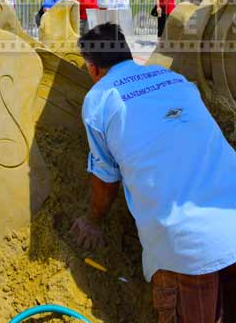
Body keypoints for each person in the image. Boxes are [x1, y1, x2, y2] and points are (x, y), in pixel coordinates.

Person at [71, 22, 236, 322]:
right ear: (128, 53)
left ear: (93, 68)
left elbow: (106, 178)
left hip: (186, 247)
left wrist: (92, 221)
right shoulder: (174, 79)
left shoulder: (99, 99)